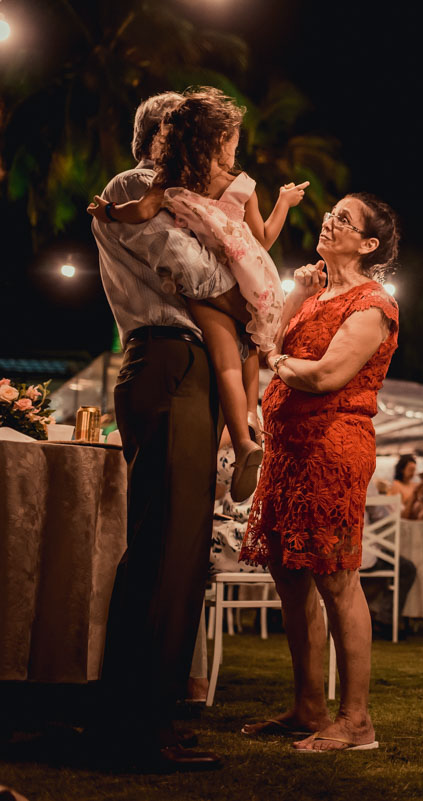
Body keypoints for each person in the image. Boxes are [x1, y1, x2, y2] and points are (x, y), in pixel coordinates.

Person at [91, 91, 235, 771]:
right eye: (185, 131)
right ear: (161, 135)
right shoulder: (132, 189)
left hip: (190, 365)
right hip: (165, 357)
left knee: (181, 553)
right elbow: (194, 272)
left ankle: (149, 719)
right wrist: (234, 270)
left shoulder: (180, 199)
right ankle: (134, 730)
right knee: (163, 551)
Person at [238, 192, 401, 752]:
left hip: (333, 449)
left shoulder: (373, 303)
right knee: (290, 576)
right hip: (286, 453)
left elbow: (328, 375)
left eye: (345, 219)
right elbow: (264, 338)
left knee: (336, 577)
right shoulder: (312, 295)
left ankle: (357, 720)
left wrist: (280, 365)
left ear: (368, 243)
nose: (329, 221)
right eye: (331, 213)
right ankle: (308, 706)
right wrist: (299, 295)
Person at [89, 87, 305, 501]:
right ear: (161, 135)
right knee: (171, 509)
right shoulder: (143, 181)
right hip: (171, 347)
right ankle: (246, 430)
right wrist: (250, 314)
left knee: (181, 512)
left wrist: (108, 212)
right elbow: (193, 273)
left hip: (194, 342)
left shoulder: (184, 185)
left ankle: (245, 433)